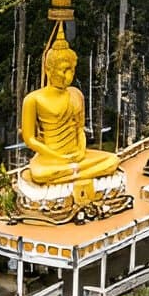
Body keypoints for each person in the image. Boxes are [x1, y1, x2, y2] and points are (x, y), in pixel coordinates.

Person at [21, 29, 119, 184]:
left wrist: (80, 150)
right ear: (48, 70)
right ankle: (73, 174)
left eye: (72, 70)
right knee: (40, 174)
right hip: (52, 158)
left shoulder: (76, 93)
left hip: (77, 154)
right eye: (64, 70)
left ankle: (70, 174)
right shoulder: (33, 99)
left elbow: (80, 128)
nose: (69, 75)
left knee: (112, 160)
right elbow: (30, 139)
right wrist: (58, 157)